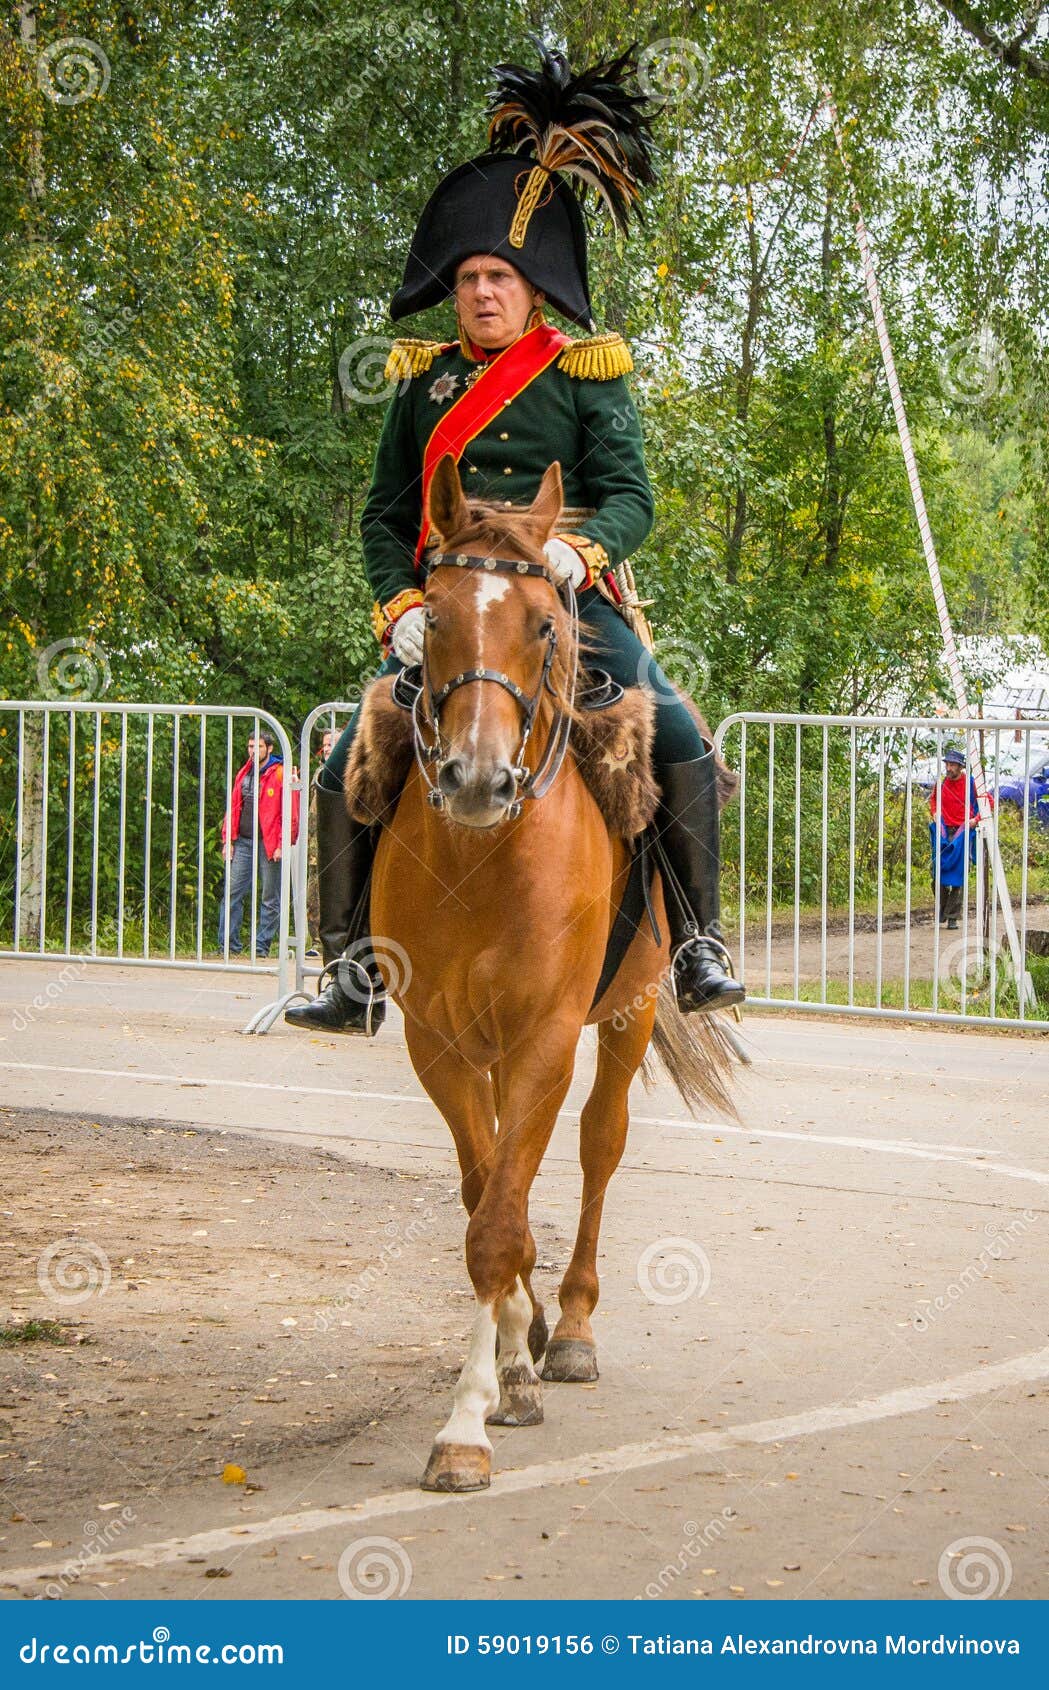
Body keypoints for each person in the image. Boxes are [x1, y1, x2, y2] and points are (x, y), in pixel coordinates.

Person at [286, 41, 745, 1037]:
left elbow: (630, 494)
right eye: (467, 279)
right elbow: (382, 518)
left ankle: (700, 944)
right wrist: (401, 604)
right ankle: (351, 971)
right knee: (340, 766)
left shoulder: (587, 373)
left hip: (565, 604)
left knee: (672, 731)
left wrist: (583, 551)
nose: (481, 293)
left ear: (532, 288)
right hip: (448, 612)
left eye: (498, 277)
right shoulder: (423, 381)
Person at [219, 730, 299, 958]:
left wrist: (283, 842)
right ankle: (228, 946)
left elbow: (290, 812)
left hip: (269, 844)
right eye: (251, 746)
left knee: (270, 898)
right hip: (243, 842)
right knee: (232, 893)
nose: (254, 751)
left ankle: (261, 947)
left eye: (259, 747)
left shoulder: (281, 773)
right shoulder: (245, 772)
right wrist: (228, 839)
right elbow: (234, 807)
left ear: (270, 749)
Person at [928, 744, 987, 930]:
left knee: (959, 877)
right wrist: (935, 813)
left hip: (963, 832)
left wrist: (975, 820)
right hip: (944, 831)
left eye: (953, 765)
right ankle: (944, 910)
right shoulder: (942, 783)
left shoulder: (971, 783)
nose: (949, 768)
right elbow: (933, 800)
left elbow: (987, 803)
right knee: (937, 873)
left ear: (961, 766)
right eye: (947, 764)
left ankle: (952, 917)